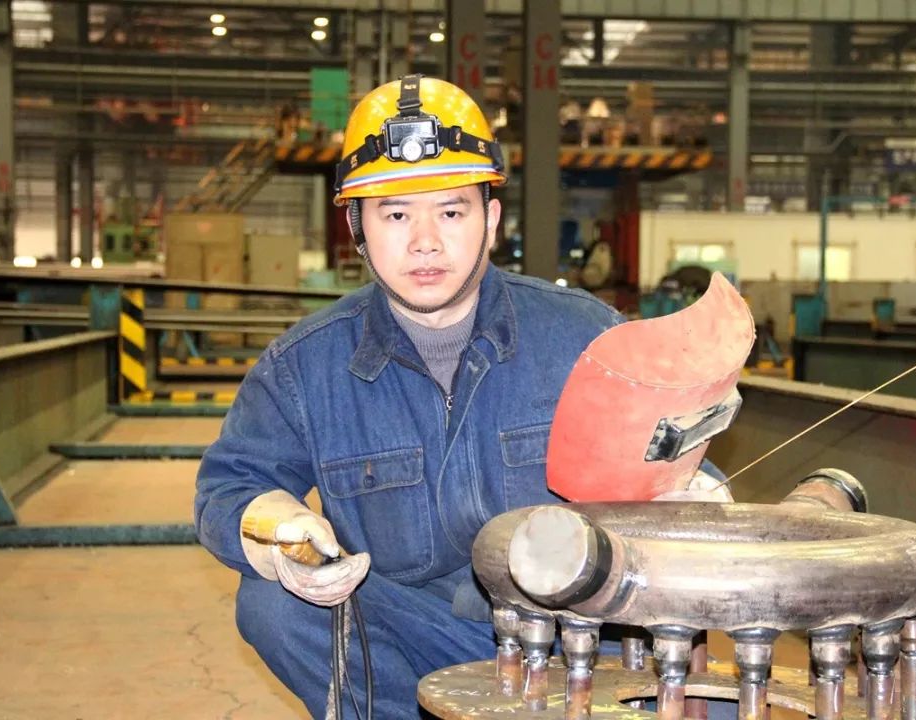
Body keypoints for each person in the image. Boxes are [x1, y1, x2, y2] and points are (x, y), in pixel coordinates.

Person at [194, 75, 627, 718]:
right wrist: (281, 531)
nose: (426, 241)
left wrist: (690, 488)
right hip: (417, 634)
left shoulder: (583, 336)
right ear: (357, 227)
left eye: (451, 212)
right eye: (396, 215)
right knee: (272, 600)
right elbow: (230, 486)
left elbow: (670, 461)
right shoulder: (306, 367)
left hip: (576, 640)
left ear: (490, 220)